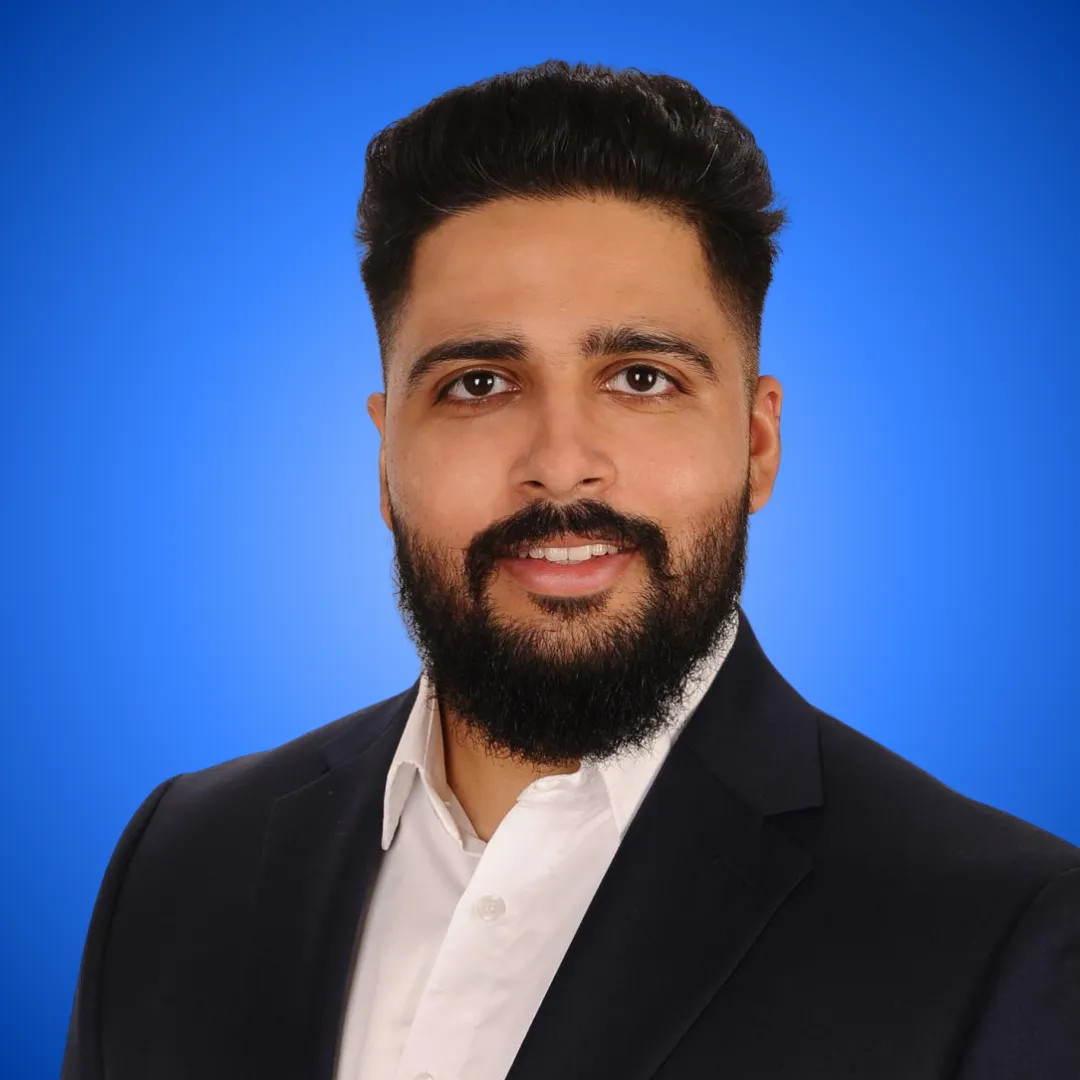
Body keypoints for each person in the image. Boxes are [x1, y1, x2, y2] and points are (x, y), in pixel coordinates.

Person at [61, 60, 1079, 1080]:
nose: (559, 464)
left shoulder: (1002, 931)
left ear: (758, 443)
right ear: (384, 458)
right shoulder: (179, 863)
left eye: (641, 378)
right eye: (478, 384)